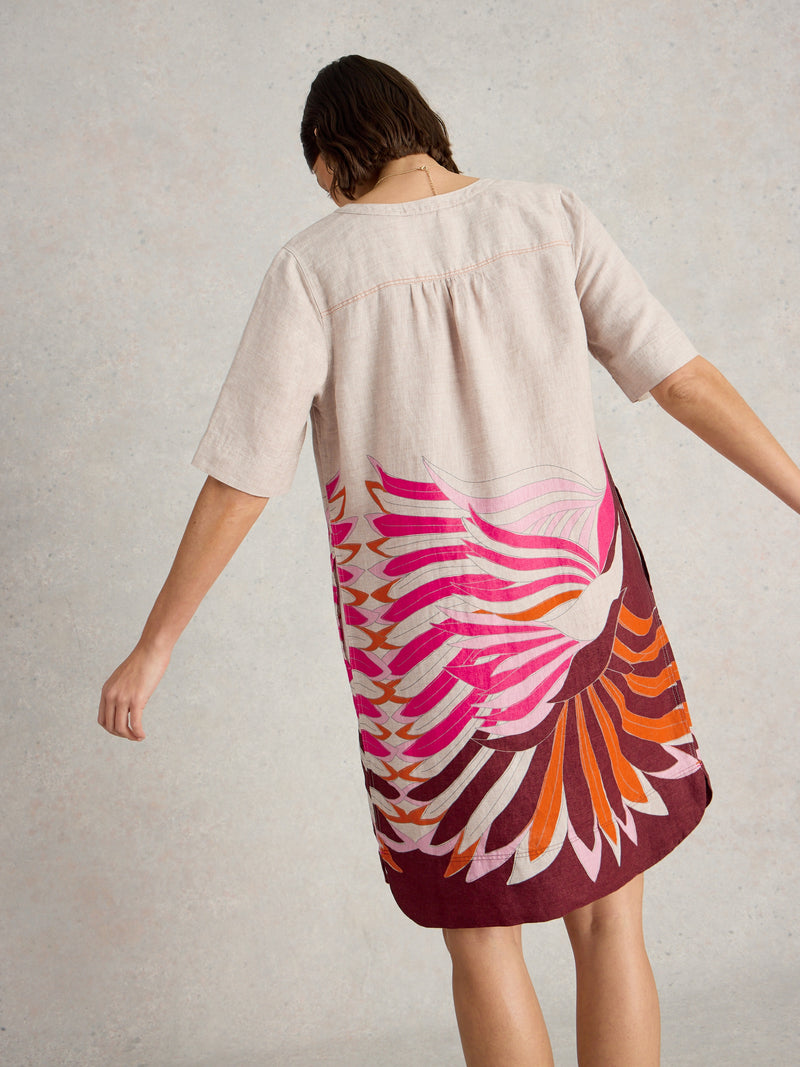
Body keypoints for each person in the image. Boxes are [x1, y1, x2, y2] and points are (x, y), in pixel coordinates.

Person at [98, 55, 800, 1067]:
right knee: (611, 915)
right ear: (423, 126)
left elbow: (244, 475)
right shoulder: (549, 217)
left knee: (479, 938)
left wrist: (155, 643)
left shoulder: (314, 267)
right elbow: (680, 379)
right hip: (593, 621)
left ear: (330, 158)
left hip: (430, 657)